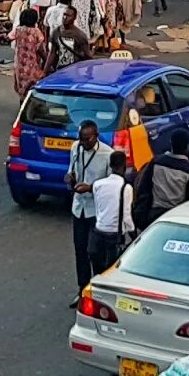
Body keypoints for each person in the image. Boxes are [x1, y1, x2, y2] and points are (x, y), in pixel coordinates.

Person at [68, 120, 114, 296]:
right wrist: (69, 178)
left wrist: (90, 188)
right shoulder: (75, 148)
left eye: (87, 139)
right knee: (80, 251)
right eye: (81, 138)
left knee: (95, 252)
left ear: (96, 136)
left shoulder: (107, 154)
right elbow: (72, 169)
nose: (84, 142)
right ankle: (82, 289)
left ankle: (98, 289)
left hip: (96, 210)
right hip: (78, 207)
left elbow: (110, 185)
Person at [134, 130, 189, 228]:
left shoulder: (156, 162)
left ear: (170, 143)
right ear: (188, 146)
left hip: (154, 216)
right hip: (176, 217)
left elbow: (143, 188)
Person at [88, 149, 136, 275]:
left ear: (110, 165)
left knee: (97, 273)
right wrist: (134, 235)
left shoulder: (98, 184)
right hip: (114, 236)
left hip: (98, 233)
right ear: (124, 166)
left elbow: (98, 208)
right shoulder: (126, 188)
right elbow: (127, 216)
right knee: (110, 272)